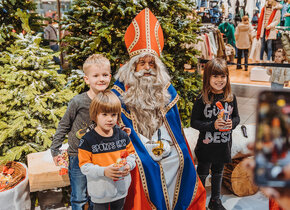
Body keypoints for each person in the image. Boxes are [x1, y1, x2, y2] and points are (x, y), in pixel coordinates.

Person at [111, 8, 206, 210]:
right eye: (142, 63)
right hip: (136, 145)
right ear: (132, 65)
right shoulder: (119, 92)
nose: (147, 68)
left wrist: (162, 143)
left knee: (182, 159)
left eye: (151, 63)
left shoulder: (164, 87)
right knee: (145, 165)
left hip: (163, 141)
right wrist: (147, 145)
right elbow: (124, 129)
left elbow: (171, 124)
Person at [50, 54, 111, 210]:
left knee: (96, 194)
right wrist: (55, 150)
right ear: (86, 79)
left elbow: (113, 123)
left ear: (110, 76)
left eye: (105, 75)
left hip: (99, 155)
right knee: (79, 196)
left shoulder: (110, 101)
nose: (101, 79)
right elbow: (64, 125)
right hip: (78, 155)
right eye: (96, 75)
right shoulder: (78, 102)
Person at [191, 58, 240, 210]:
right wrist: (213, 125)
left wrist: (233, 123)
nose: (219, 80)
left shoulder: (230, 98)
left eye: (222, 76)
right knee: (203, 174)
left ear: (227, 77)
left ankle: (215, 201)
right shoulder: (202, 99)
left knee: (218, 173)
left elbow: (237, 117)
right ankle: (198, 201)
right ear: (208, 78)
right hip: (206, 147)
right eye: (215, 76)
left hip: (223, 145)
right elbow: (194, 122)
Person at [78, 90, 136, 210]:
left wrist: (129, 165)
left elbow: (131, 155)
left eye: (113, 115)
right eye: (104, 114)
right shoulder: (87, 140)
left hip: (121, 189)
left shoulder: (123, 135)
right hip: (100, 192)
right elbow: (85, 166)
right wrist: (104, 171)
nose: (110, 119)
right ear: (95, 115)